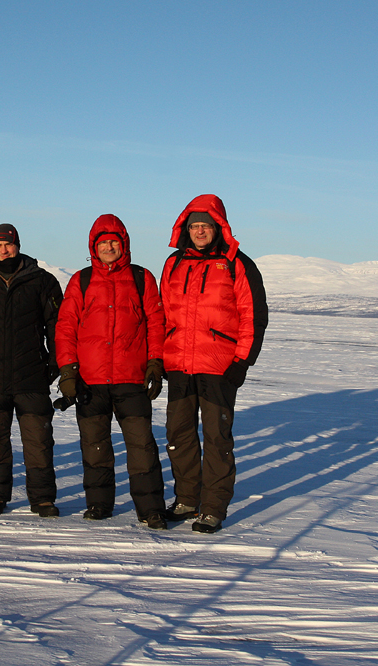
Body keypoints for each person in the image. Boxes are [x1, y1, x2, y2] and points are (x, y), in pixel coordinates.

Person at [160, 194, 268, 533]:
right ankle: (187, 498)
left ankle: (213, 507)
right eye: (194, 226)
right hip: (179, 362)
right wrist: (161, 354)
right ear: (185, 230)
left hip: (219, 366)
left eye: (206, 226)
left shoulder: (237, 263)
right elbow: (162, 312)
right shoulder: (173, 263)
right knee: (179, 434)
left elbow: (253, 315)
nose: (200, 232)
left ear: (218, 227)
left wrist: (242, 361)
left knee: (217, 438)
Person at [55, 214, 168, 529]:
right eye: (102, 242)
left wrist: (155, 363)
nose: (108, 247)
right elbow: (66, 328)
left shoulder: (142, 278)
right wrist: (68, 371)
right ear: (94, 246)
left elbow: (156, 324)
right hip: (91, 380)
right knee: (95, 445)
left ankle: (151, 509)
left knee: (142, 445)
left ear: (124, 244)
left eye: (113, 242)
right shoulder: (81, 280)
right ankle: (99, 504)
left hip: (132, 379)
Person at [0, 224, 65, 517]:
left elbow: (55, 325)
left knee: (38, 442)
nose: (3, 250)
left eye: (7, 244)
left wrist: (54, 362)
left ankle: (43, 498)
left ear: (18, 245)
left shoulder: (41, 280)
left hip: (31, 375)